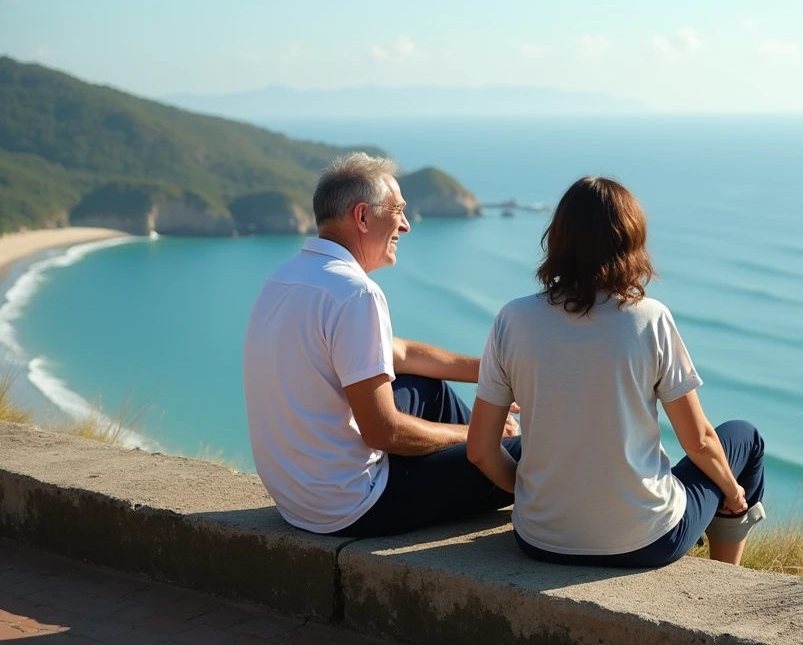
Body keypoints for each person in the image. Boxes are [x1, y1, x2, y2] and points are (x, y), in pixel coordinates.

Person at [466, 177, 766, 567]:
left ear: (557, 239)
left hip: (540, 541)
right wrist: (733, 491)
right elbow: (699, 441)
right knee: (745, 437)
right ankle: (725, 577)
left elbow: (480, 451)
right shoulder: (649, 319)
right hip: (647, 541)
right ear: (631, 243)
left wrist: (531, 498)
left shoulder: (512, 319)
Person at [243, 152, 520, 537]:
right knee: (529, 453)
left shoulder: (286, 277)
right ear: (362, 216)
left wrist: (500, 373)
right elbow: (383, 433)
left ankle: (483, 452)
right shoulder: (356, 293)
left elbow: (401, 353)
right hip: (354, 504)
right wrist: (480, 434)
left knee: (427, 387)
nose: (405, 225)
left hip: (297, 500)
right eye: (398, 211)